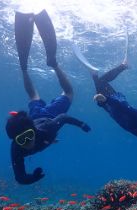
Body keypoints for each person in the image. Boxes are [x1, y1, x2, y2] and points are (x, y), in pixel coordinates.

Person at [5, 10, 90, 185]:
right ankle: (28, 67)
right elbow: (19, 178)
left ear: (33, 131)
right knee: (34, 95)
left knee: (68, 93)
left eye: (28, 136)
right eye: (22, 140)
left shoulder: (47, 129)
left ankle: (50, 64)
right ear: (15, 141)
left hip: (46, 117)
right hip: (35, 120)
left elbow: (64, 118)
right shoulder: (16, 149)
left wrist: (81, 125)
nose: (27, 142)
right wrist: (32, 178)